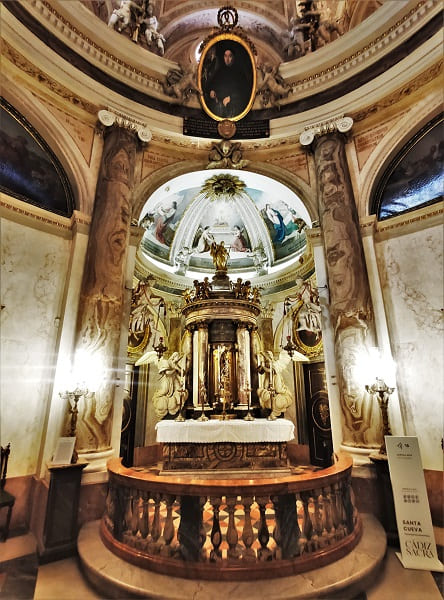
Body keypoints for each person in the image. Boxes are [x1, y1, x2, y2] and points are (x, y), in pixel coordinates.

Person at [205, 46, 251, 119]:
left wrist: (231, 98)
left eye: (230, 56)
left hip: (234, 105)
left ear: (234, 57)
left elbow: (245, 92)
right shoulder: (220, 71)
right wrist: (211, 91)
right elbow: (211, 85)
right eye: (225, 56)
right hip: (219, 105)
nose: (227, 59)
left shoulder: (239, 73)